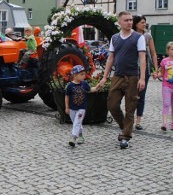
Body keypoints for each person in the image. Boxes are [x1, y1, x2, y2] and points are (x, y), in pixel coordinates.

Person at [97, 11, 146, 150]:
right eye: (126, 20)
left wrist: (142, 78)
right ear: (119, 22)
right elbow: (111, 58)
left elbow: (142, 58)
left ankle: (125, 137)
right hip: (117, 76)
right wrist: (105, 77)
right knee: (112, 105)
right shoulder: (115, 38)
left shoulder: (138, 37)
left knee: (130, 108)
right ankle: (124, 127)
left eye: (131, 20)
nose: (130, 22)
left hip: (132, 77)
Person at [133, 15, 158, 131]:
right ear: (136, 24)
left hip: (145, 69)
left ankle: (138, 121)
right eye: (142, 22)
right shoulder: (132, 35)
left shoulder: (148, 36)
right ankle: (129, 118)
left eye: (145, 22)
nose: (144, 24)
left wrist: (156, 69)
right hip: (132, 69)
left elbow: (153, 53)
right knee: (132, 95)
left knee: (141, 96)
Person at [65, 65, 99, 148]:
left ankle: (73, 137)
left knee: (77, 122)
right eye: (82, 74)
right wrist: (67, 107)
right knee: (76, 122)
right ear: (75, 75)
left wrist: (98, 87)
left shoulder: (84, 83)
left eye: (84, 74)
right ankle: (80, 135)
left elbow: (90, 89)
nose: (84, 76)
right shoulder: (70, 86)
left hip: (82, 108)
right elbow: (67, 96)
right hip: (72, 108)